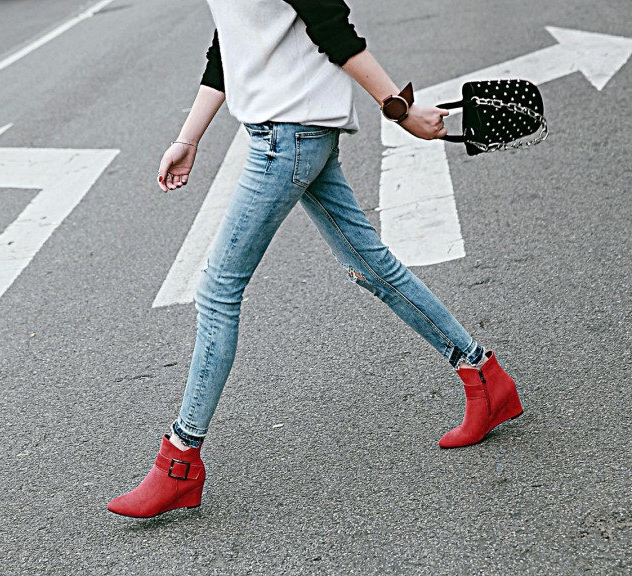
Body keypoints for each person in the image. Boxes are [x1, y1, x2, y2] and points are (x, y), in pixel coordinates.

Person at [107, 0, 523, 519]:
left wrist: (399, 108)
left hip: (286, 138)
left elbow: (330, 23)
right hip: (291, 132)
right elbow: (229, 42)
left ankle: (179, 463)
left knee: (217, 291)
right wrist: (188, 138)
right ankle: (485, 377)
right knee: (371, 266)